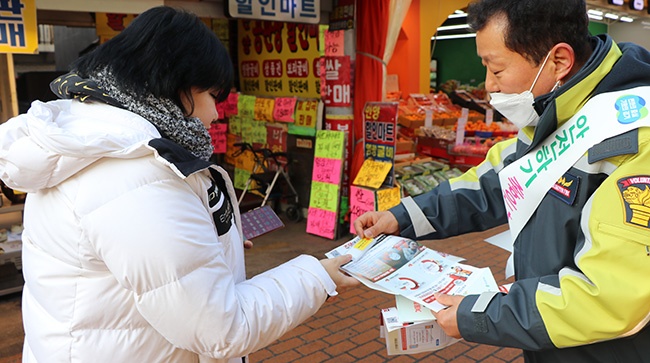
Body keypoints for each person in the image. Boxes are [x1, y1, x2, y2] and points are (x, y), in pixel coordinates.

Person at [0, 6, 358, 363]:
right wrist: (317, 275)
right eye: (212, 96)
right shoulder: (136, 174)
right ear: (175, 83)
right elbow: (222, 328)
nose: (215, 114)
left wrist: (215, 243)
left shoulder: (88, 141)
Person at [354, 0, 650, 362]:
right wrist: (404, 216)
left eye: (496, 68)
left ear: (558, 61)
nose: (489, 85)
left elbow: (609, 296)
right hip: (547, 339)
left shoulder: (635, 141)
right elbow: (498, 181)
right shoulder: (558, 106)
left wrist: (479, 315)